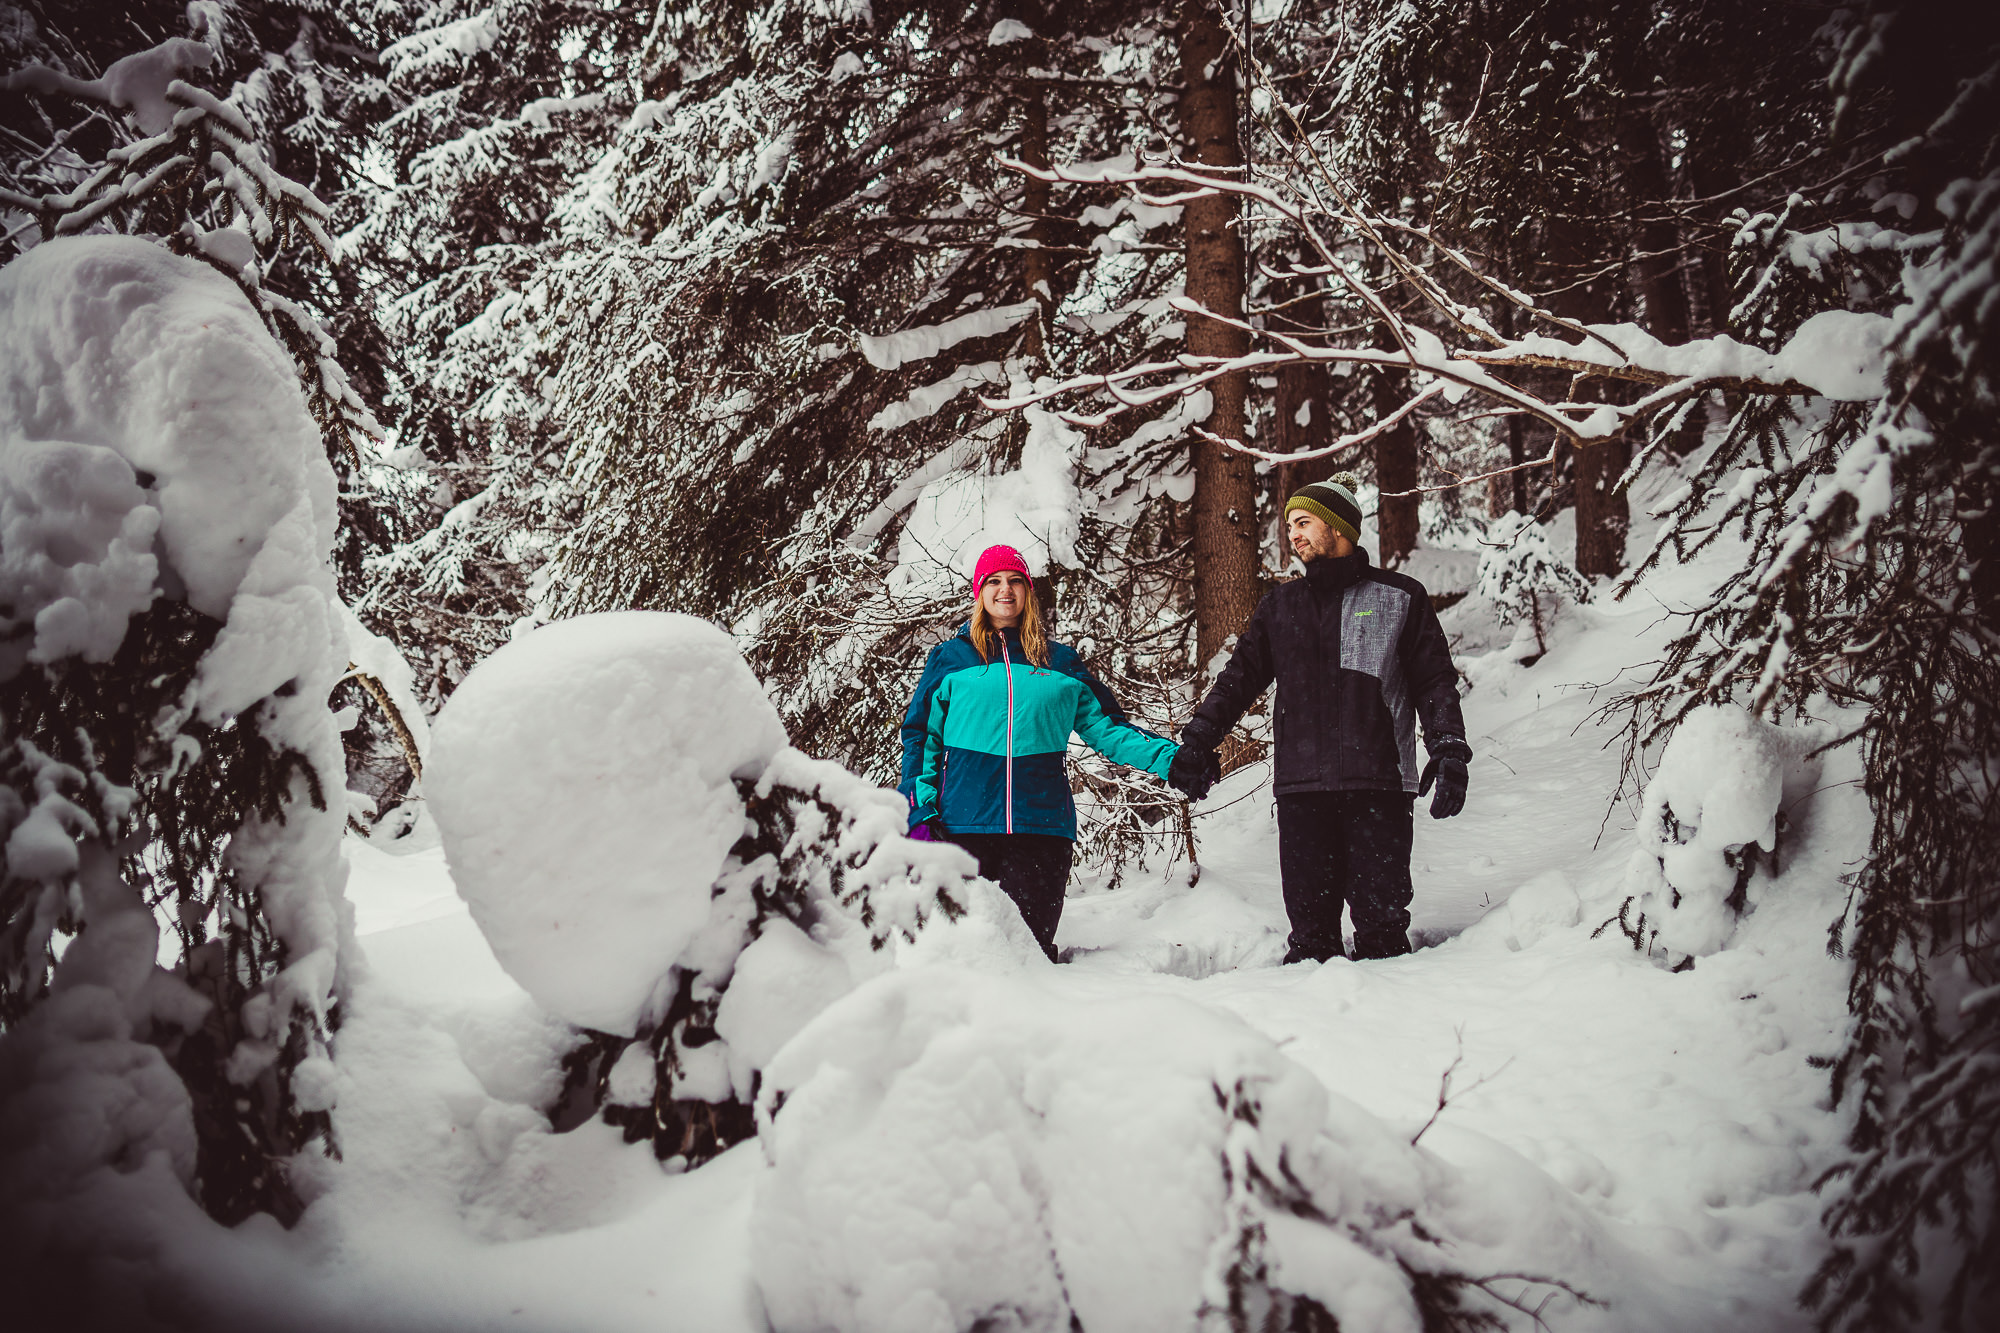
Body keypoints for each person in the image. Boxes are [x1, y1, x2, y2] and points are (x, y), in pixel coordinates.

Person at [1169, 475, 1470, 963]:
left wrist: (1450, 749)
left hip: (1380, 786)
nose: (1293, 533)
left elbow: (1434, 681)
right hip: (1302, 790)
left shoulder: (1401, 597)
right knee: (1310, 943)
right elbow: (1237, 680)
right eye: (1289, 525)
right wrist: (1199, 740)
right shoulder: (1281, 607)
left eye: (1304, 522)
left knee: (1382, 933)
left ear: (1338, 526)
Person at [900, 544, 1200, 960]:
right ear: (979, 592)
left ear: (1028, 591)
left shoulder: (1060, 662)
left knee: (1031, 956)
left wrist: (1172, 760)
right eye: (995, 581)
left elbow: (1108, 730)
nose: (1006, 590)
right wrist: (918, 809)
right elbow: (921, 738)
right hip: (962, 830)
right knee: (962, 955)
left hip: (1041, 832)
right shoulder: (951, 660)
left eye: (1015, 580)